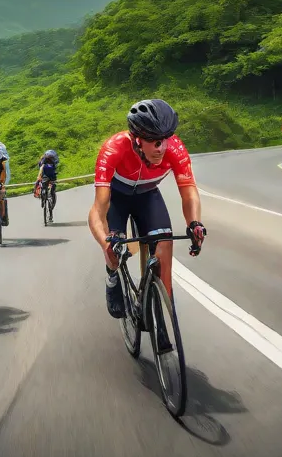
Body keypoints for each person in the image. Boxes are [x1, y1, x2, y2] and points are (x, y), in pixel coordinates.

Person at [88, 99, 207, 338]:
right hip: (117, 198)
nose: (161, 148)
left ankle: (163, 315)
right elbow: (99, 208)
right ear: (137, 139)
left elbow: (189, 190)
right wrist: (105, 242)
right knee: (116, 249)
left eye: (165, 139)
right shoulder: (114, 148)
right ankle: (112, 277)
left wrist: (194, 223)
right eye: (154, 141)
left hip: (148, 195)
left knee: (164, 243)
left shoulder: (175, 148)